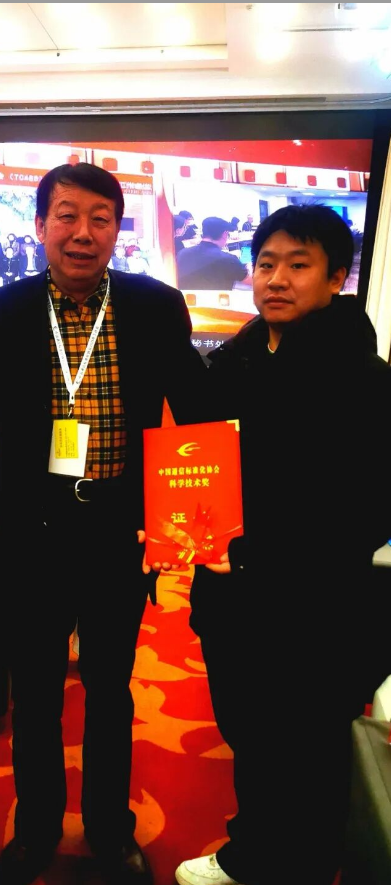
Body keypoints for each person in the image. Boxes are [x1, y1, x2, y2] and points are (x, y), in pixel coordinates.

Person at [0, 162, 207, 885]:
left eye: (99, 218)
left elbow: (197, 416)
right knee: (36, 690)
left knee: (110, 689)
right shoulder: (1, 310)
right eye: (67, 216)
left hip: (116, 529)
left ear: (116, 229)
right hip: (32, 532)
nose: (82, 233)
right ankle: (36, 829)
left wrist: (190, 518)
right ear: (40, 225)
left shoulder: (155, 305)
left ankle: (111, 831)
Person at [174, 205, 391, 885]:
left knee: (308, 746)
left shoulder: (366, 379)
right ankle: (255, 850)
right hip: (231, 597)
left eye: (299, 265)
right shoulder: (234, 364)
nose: (276, 279)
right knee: (251, 733)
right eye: (266, 263)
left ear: (337, 277)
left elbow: (370, 512)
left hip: (314, 607)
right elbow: (198, 470)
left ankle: (297, 863)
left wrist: (258, 553)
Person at [177, 216, 252, 291]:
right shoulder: (229, 259)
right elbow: (250, 281)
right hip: (218, 298)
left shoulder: (182, 254)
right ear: (225, 234)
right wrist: (249, 267)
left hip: (185, 297)